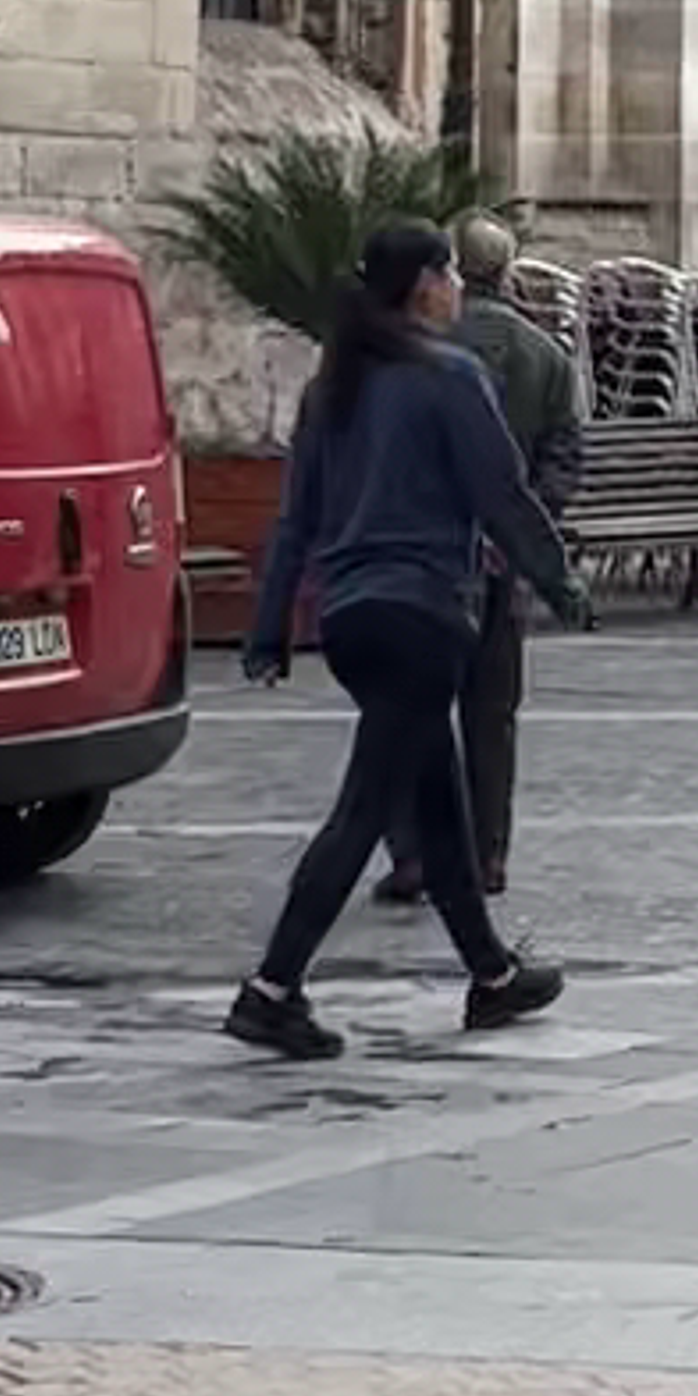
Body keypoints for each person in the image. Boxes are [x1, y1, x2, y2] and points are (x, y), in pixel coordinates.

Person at [230, 219, 585, 1061]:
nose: (458, 287)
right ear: (427, 284)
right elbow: (502, 496)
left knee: (436, 800)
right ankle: (272, 988)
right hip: (423, 614)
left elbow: (295, 520)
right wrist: (560, 581)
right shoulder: (450, 376)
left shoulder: (333, 387)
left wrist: (269, 627)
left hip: (351, 620)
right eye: (450, 274)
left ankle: (492, 975)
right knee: (362, 810)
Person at [377, 215, 585, 909]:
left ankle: (412, 854)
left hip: (425, 562)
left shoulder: (416, 352)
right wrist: (534, 533)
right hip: (504, 562)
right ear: (512, 270)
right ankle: (488, 853)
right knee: (491, 714)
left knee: (409, 711)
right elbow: (562, 456)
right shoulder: (547, 356)